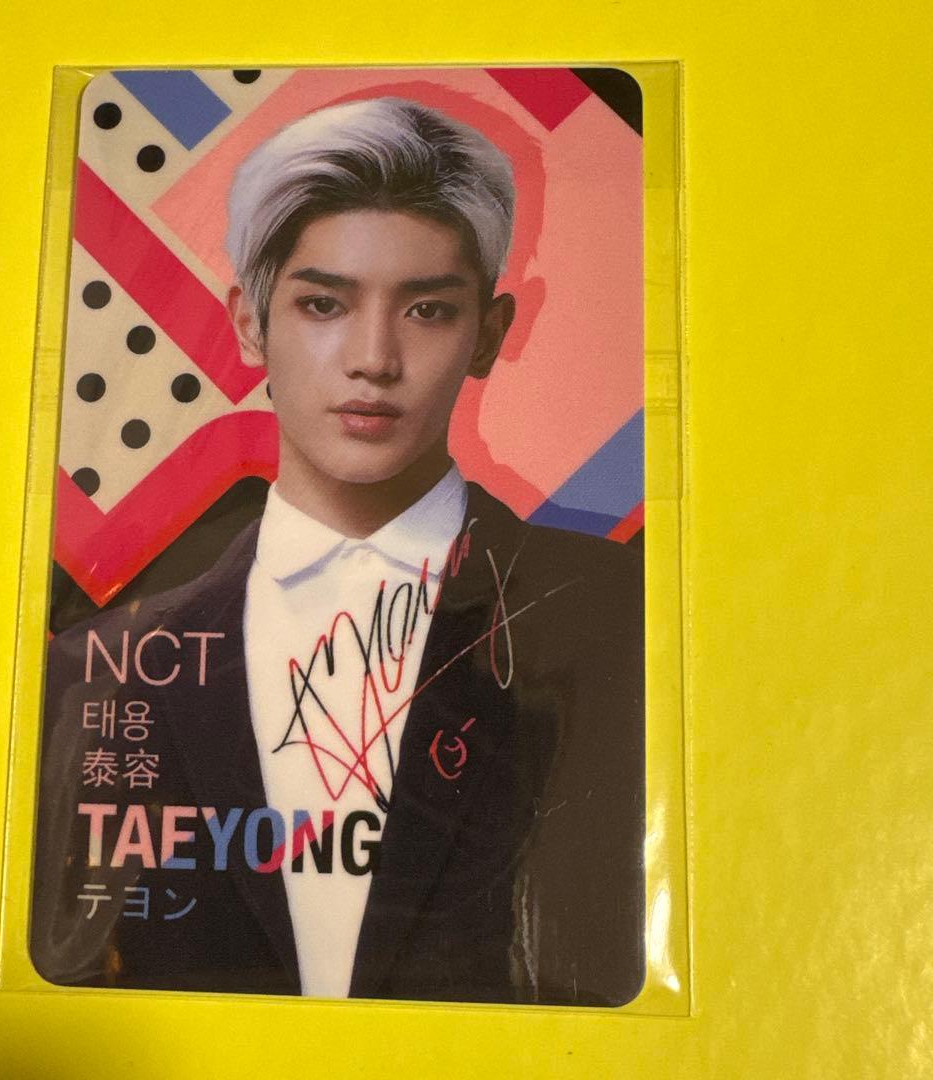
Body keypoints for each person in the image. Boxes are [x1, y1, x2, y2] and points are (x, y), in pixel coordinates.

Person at [31, 97, 645, 1006]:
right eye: (323, 304)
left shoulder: (619, 612)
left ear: (488, 333)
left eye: (428, 310)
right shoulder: (102, 666)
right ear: (250, 323)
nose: (373, 358)